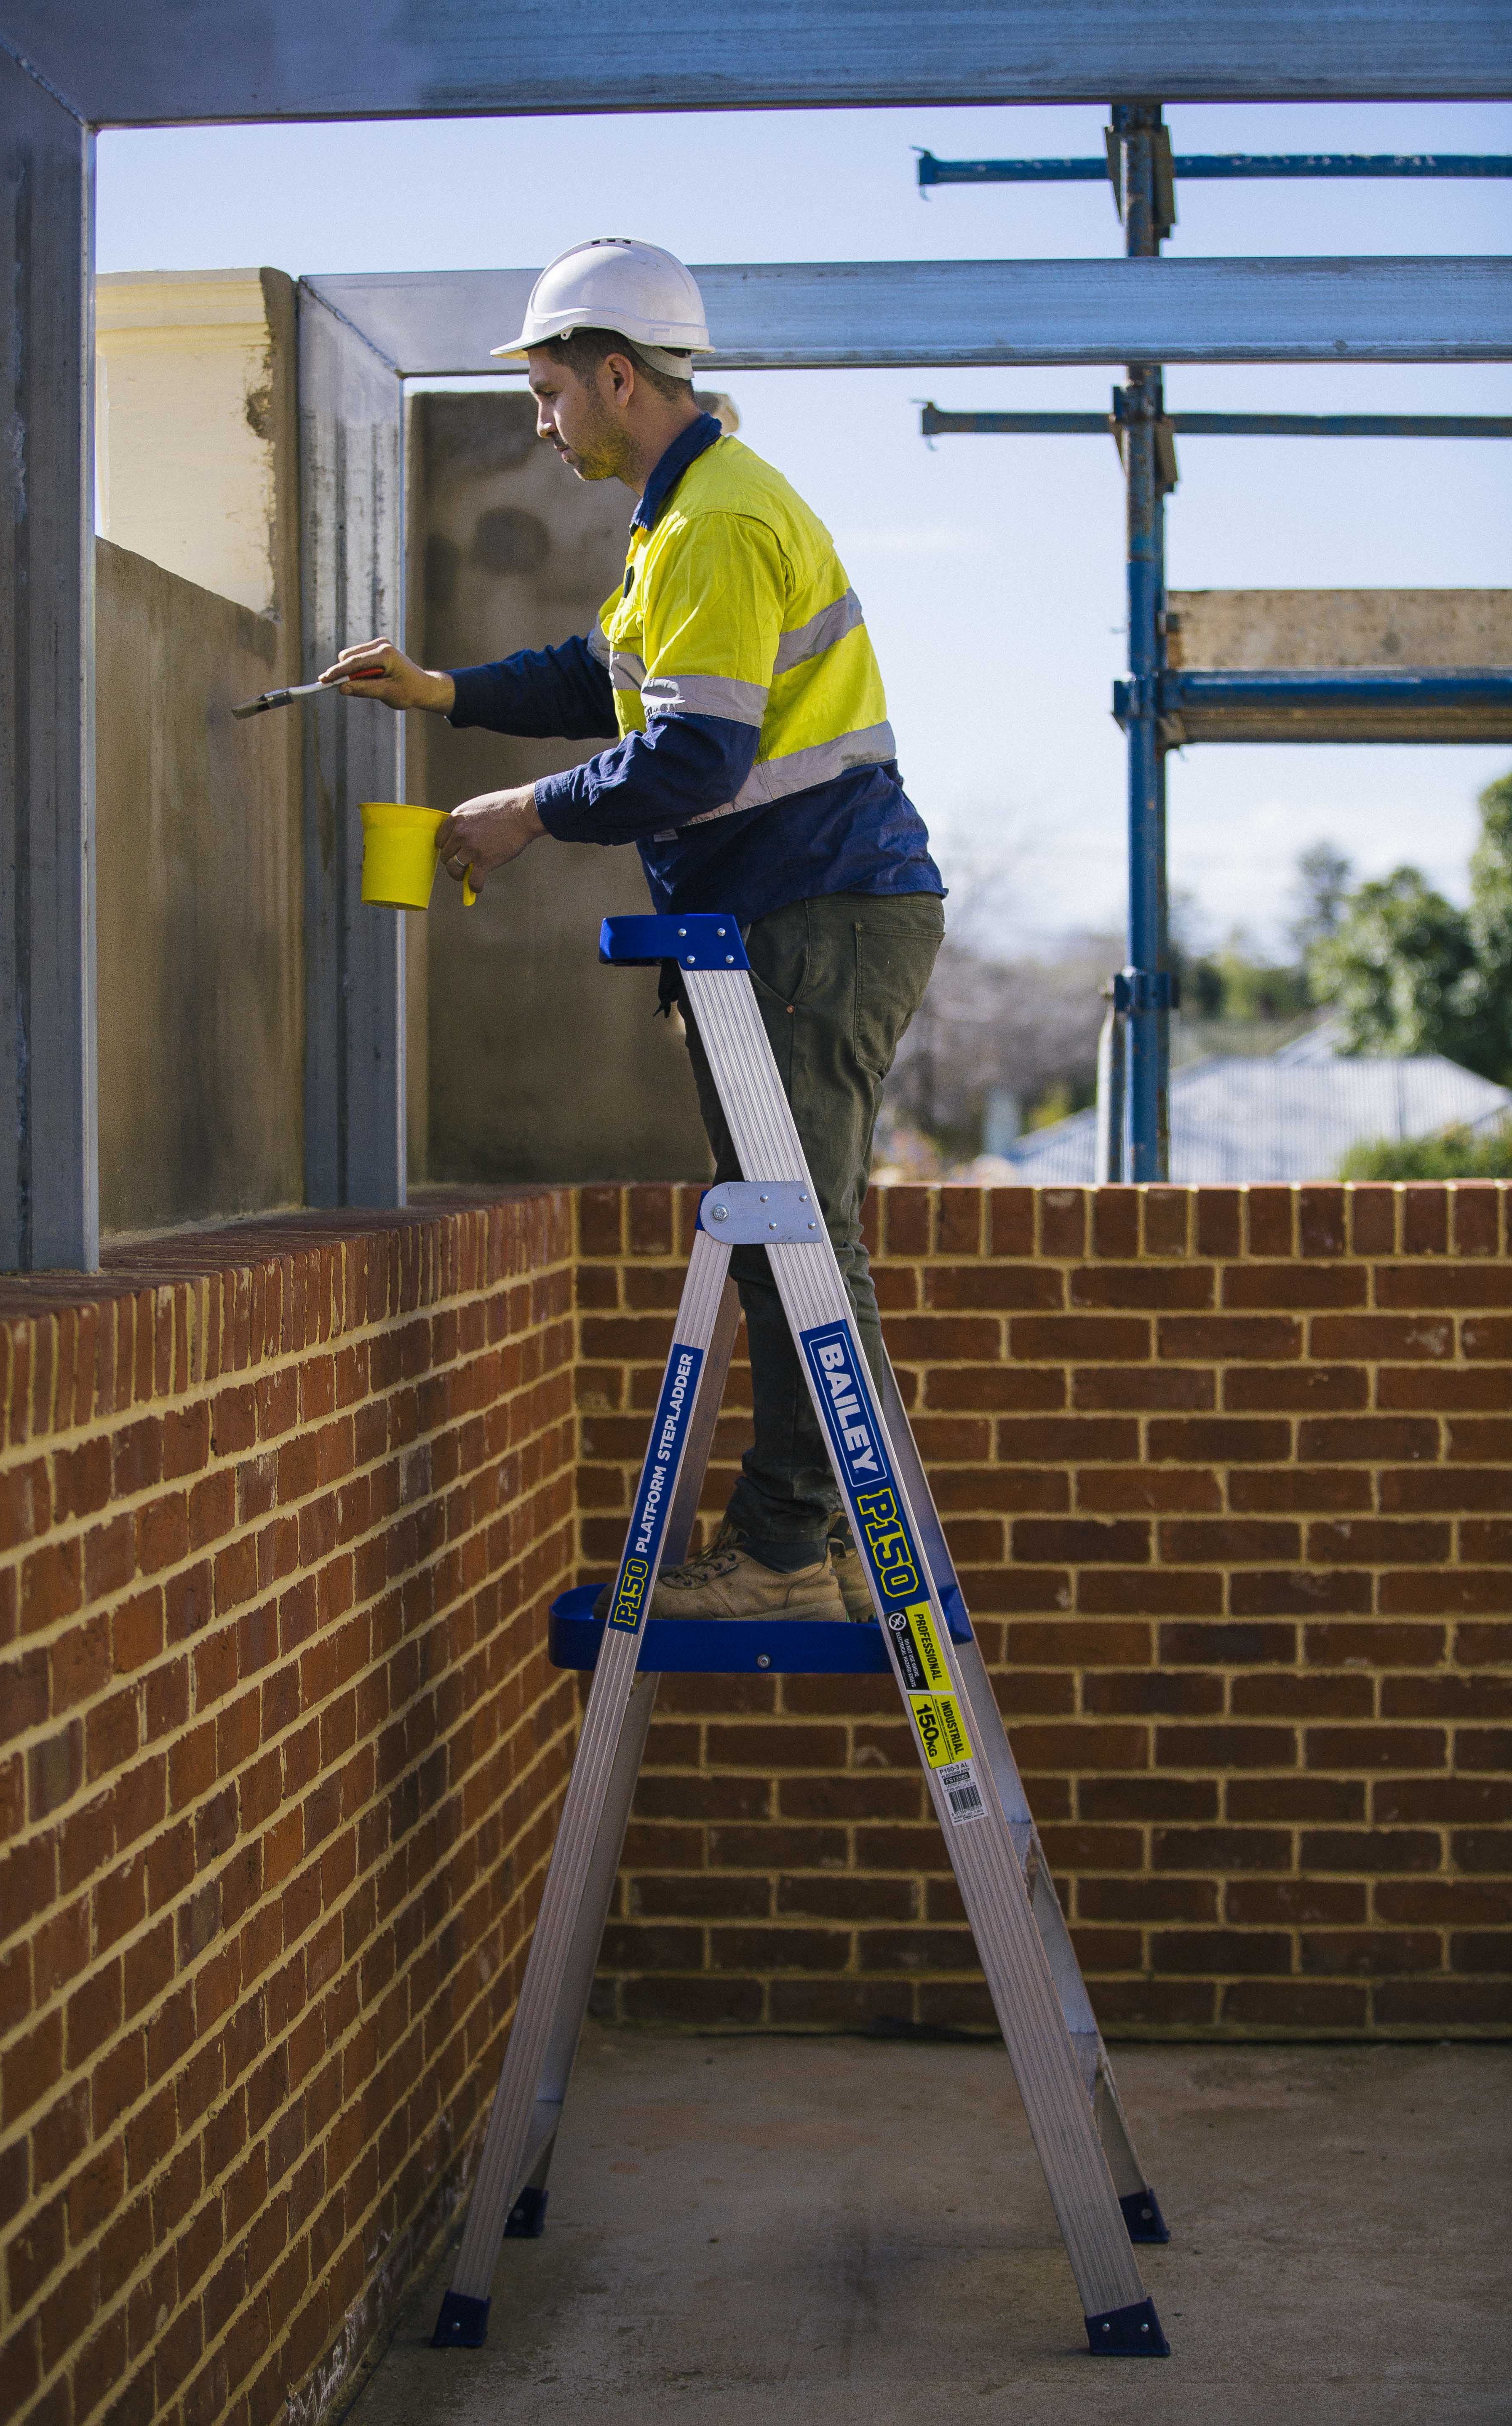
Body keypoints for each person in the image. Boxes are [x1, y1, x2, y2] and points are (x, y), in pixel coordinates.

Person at [323, 237, 943, 1621]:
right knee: (805, 1229)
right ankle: (828, 1538)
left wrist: (524, 816)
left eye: (548, 393)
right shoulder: (681, 519)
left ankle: (789, 1547)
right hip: (803, 912)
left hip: (811, 912)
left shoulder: (715, 524)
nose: (539, 423)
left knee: (801, 1231)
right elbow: (604, 681)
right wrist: (441, 694)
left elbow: (693, 759)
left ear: (617, 377)